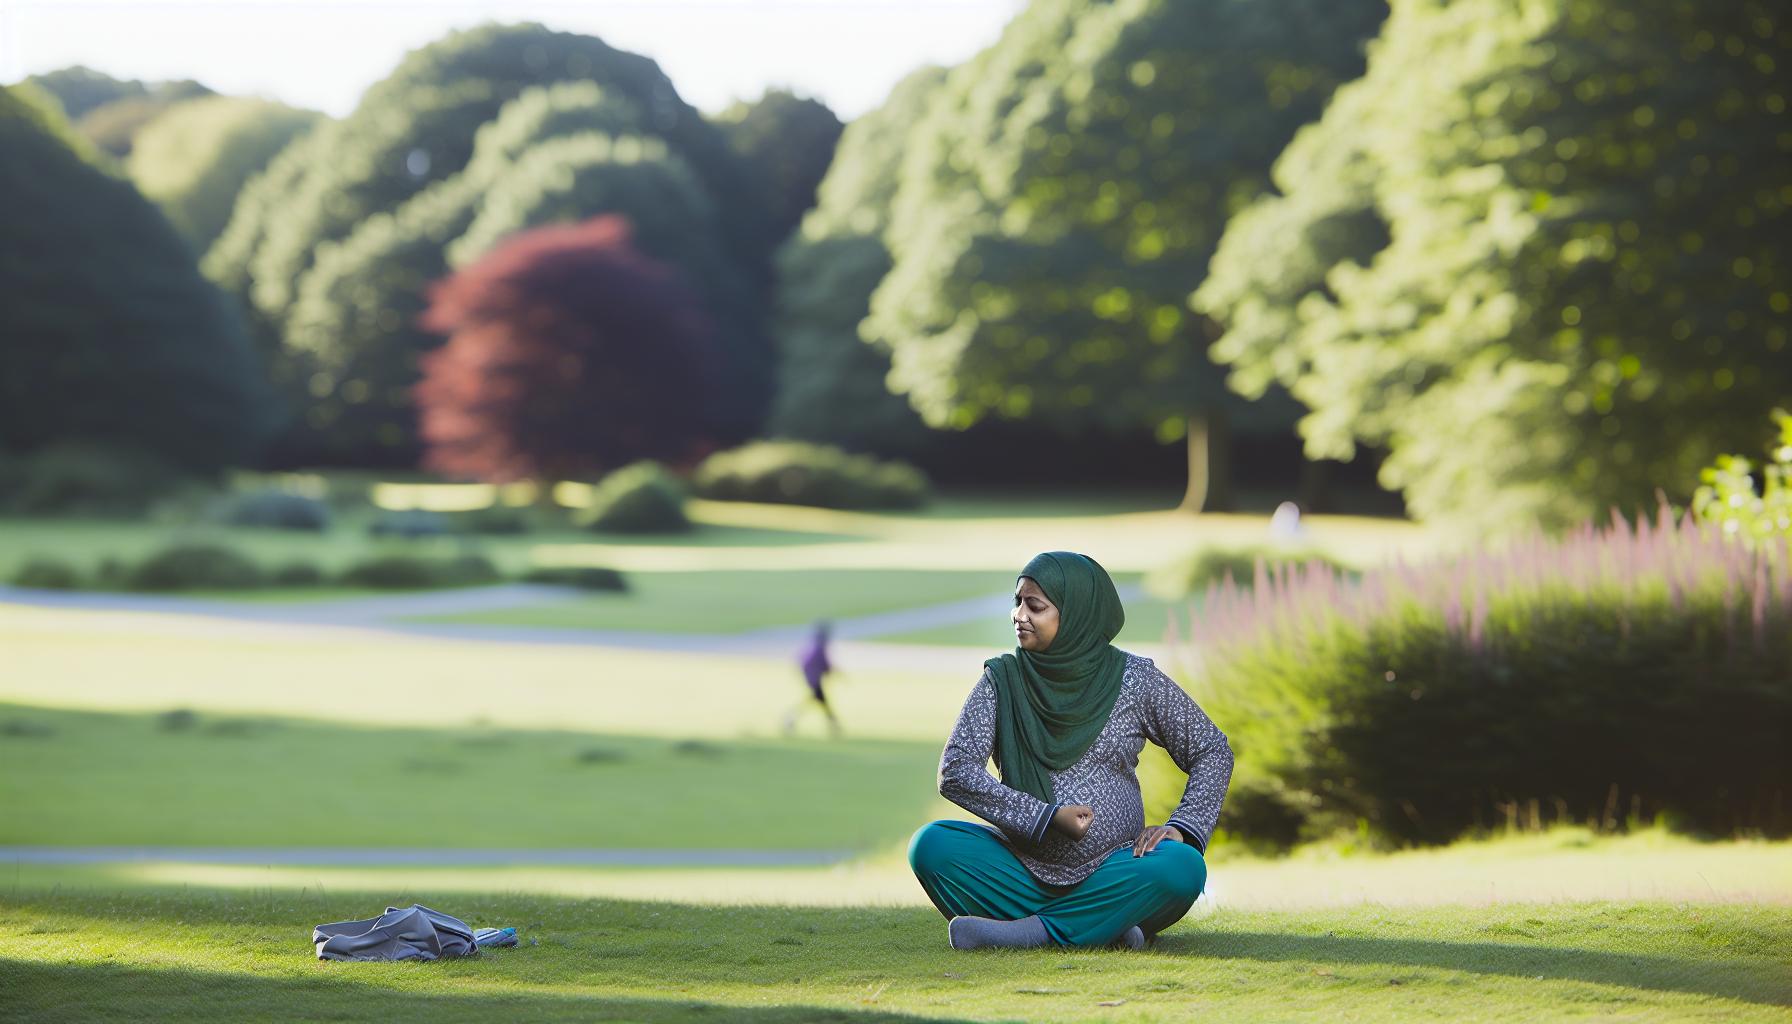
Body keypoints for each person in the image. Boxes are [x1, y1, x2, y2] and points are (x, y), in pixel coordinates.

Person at [908, 551, 1232, 950]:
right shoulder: (1002, 682)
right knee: (932, 846)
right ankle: (1105, 927)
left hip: (1116, 868)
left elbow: (1211, 749)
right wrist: (1044, 817)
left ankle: (1032, 932)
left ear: (1076, 614)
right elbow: (956, 771)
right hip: (1023, 869)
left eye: (1035, 606)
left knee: (1182, 867)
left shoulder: (1134, 680)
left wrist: (1183, 826)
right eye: (1017, 602)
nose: (1018, 615)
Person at [784, 619, 840, 737]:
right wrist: (832, 672)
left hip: (811, 678)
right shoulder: (819, 647)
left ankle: (833, 723)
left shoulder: (813, 645)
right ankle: (791, 718)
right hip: (814, 679)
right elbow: (825, 664)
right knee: (820, 701)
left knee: (819, 701)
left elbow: (802, 659)